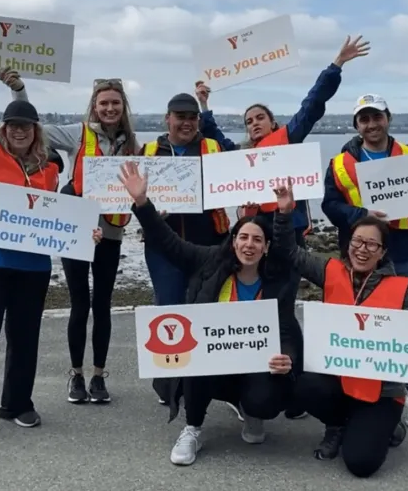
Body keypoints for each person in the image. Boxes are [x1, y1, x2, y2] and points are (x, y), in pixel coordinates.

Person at [196, 35, 370, 421]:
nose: (254, 124)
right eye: (248, 121)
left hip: (286, 243)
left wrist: (336, 65)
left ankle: (294, 386)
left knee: (285, 313)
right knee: (254, 311)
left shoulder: (287, 139)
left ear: (272, 122)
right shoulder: (242, 158)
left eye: (259, 118)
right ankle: (251, 376)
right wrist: (205, 104)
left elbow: (313, 106)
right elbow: (215, 140)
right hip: (254, 246)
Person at [0, 53, 102, 442]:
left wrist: (84, 233)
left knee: (25, 338)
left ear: (36, 130)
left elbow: (60, 216)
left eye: (27, 126)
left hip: (33, 269)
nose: (20, 131)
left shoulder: (50, 168)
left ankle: (16, 403)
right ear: (4, 128)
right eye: (13, 125)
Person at [118, 161, 303, 466]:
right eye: (243, 237)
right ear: (233, 242)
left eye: (257, 240)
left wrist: (288, 357)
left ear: (266, 247)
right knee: (194, 358)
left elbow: (286, 328)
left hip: (256, 366)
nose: (249, 244)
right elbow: (168, 242)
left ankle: (252, 412)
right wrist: (141, 202)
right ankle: (193, 428)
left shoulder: (277, 279)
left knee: (265, 399)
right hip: (215, 362)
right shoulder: (209, 262)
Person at [0, 69, 140, 404]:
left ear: (123, 107)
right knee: (80, 304)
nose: (109, 108)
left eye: (115, 103)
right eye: (103, 103)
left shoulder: (133, 145)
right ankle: (76, 375)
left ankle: (99, 376)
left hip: (111, 232)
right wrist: (19, 91)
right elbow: (30, 129)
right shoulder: (77, 135)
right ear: (94, 106)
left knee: (103, 305)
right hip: (76, 233)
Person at [287, 212, 408, 478]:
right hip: (339, 380)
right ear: (348, 244)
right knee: (303, 385)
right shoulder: (330, 271)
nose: (362, 250)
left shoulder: (400, 289)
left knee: (361, 464)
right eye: (357, 242)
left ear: (383, 252)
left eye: (371, 245)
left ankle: (389, 426)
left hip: (381, 392)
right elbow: (290, 251)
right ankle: (336, 425)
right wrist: (285, 214)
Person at [321, 93, 408, 429]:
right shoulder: (341, 163)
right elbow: (329, 205)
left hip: (404, 250)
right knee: (363, 324)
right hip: (362, 255)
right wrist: (360, 214)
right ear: (356, 125)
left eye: (376, 117)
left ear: (388, 118)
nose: (371, 124)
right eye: (364, 119)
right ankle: (366, 394)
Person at [137, 92, 231, 405]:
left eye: (192, 117)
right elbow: (132, 195)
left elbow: (238, 178)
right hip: (162, 245)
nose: (186, 123)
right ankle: (168, 385)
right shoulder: (148, 151)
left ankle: (209, 384)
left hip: (207, 243)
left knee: (206, 311)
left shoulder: (213, 147)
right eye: (180, 117)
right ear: (168, 119)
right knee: (168, 310)